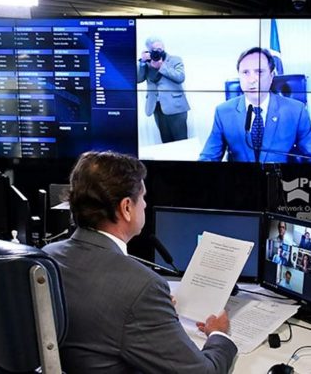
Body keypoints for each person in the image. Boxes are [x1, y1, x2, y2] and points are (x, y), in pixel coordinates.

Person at [42, 151, 236, 373]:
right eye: (143, 197)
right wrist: (219, 333)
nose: (144, 205)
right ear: (126, 207)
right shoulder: (143, 287)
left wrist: (154, 312)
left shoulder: (47, 256)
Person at [199, 47, 311, 163]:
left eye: (259, 72)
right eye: (245, 72)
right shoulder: (223, 112)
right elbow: (208, 157)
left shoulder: (296, 111)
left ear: (271, 76)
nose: (252, 79)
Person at [137, 37, 190, 143]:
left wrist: (162, 66)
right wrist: (142, 63)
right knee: (166, 142)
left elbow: (180, 77)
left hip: (176, 107)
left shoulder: (175, 59)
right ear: (149, 50)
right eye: (155, 50)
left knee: (181, 142)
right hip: (157, 107)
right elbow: (138, 79)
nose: (158, 52)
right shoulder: (146, 63)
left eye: (160, 49)